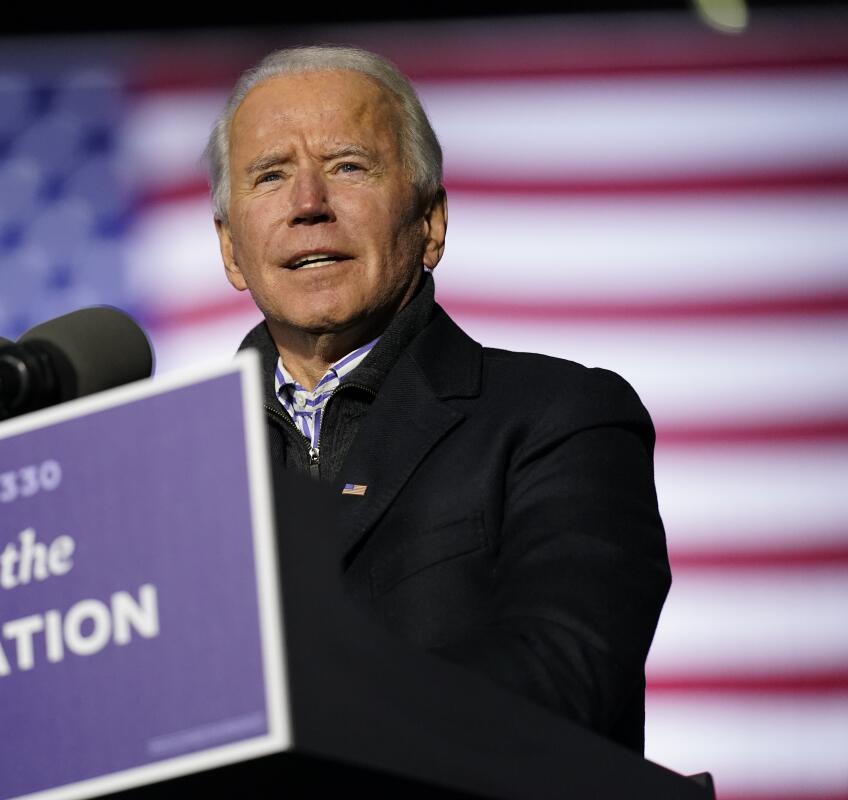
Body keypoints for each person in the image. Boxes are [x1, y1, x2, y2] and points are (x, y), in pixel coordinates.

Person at [205, 45, 670, 752]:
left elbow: (566, 673)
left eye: (348, 167)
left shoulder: (561, 416)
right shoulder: (175, 473)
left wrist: (289, 727)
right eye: (271, 176)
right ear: (232, 250)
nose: (308, 205)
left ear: (431, 222)